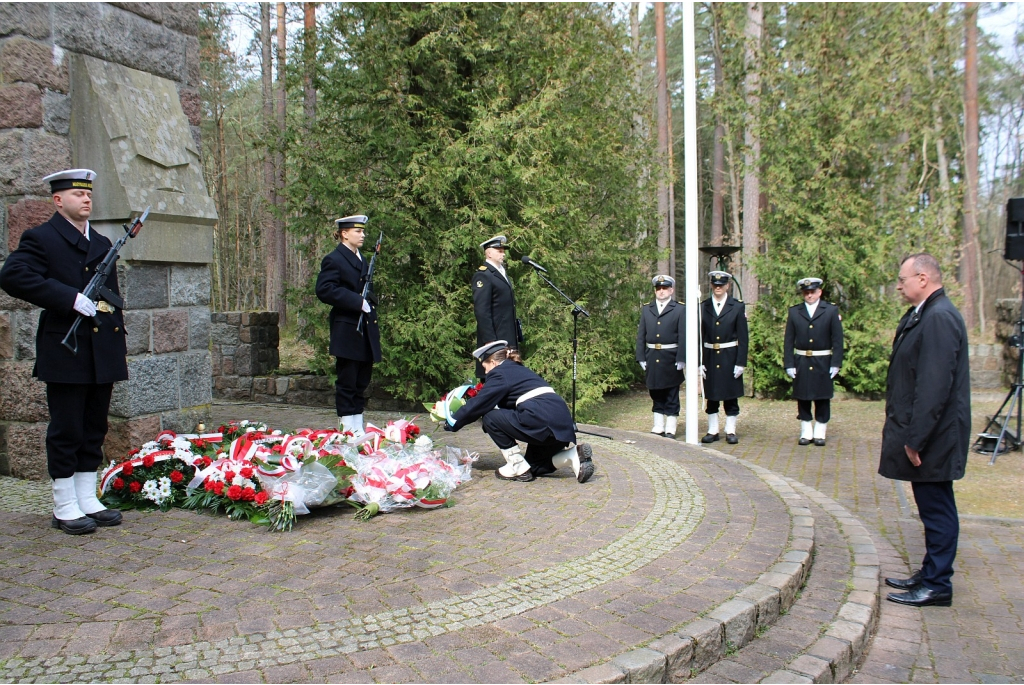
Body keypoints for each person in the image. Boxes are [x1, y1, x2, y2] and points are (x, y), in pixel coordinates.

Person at [0, 169, 127, 535]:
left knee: (94, 426)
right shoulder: (42, 239)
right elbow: (13, 276)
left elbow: (109, 299)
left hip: (102, 346)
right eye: (77, 195)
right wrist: (68, 298)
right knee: (67, 427)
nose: (86, 200)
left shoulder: (102, 242)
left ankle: (87, 496)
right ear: (58, 201)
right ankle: (63, 503)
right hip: (66, 348)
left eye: (88, 195)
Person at [880, 253, 969, 608]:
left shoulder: (940, 317)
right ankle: (930, 572)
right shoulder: (926, 314)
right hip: (930, 433)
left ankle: (937, 584)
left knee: (937, 508)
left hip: (935, 437)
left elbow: (934, 386)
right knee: (931, 505)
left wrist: (916, 440)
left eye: (902, 280)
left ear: (922, 278)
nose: (899, 286)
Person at [444, 340, 594, 484]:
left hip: (541, 419)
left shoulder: (499, 373)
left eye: (485, 367)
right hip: (562, 425)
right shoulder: (519, 370)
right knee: (532, 466)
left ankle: (516, 465)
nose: (485, 372)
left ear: (494, 362)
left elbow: (479, 404)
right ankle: (573, 455)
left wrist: (452, 421)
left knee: (489, 417)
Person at [315, 215, 381, 437]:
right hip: (347, 329)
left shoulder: (361, 258)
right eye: (357, 231)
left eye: (363, 232)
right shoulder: (334, 259)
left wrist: (369, 299)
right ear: (344, 233)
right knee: (348, 381)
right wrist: (356, 301)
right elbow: (324, 289)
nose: (362, 235)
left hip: (364, 328)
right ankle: (347, 430)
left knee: (361, 381)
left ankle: (357, 427)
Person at [783, 277, 844, 446]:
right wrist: (789, 363)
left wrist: (836, 363)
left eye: (813, 292)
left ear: (819, 292)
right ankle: (806, 430)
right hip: (802, 359)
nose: (809, 295)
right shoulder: (795, 312)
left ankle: (820, 431)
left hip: (823, 360)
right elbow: (789, 340)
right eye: (806, 292)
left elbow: (838, 340)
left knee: (822, 396)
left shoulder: (830, 311)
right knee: (803, 396)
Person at [699, 271, 748, 444]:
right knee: (711, 396)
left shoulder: (737, 306)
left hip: (730, 356)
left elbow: (743, 337)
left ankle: (731, 430)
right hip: (710, 357)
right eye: (715, 284)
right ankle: (713, 430)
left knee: (730, 396)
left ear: (727, 286)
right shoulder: (703, 306)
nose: (718, 287)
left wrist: (741, 362)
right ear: (711, 285)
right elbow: (699, 336)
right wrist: (699, 361)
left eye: (721, 285)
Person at [636, 274, 686, 439]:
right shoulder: (647, 308)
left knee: (671, 393)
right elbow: (641, 335)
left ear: (671, 290)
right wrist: (641, 356)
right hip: (652, 356)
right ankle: (658, 425)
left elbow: (683, 335)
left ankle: (670, 427)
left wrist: (681, 358)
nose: (662, 291)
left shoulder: (679, 309)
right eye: (659, 288)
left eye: (665, 288)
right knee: (655, 391)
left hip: (670, 356)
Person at [472, 235, 521, 380]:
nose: (503, 253)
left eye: (503, 250)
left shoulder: (501, 272)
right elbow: (482, 310)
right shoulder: (483, 275)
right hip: (495, 339)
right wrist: (490, 341)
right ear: (488, 253)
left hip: (507, 336)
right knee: (496, 379)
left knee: (510, 378)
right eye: (499, 250)